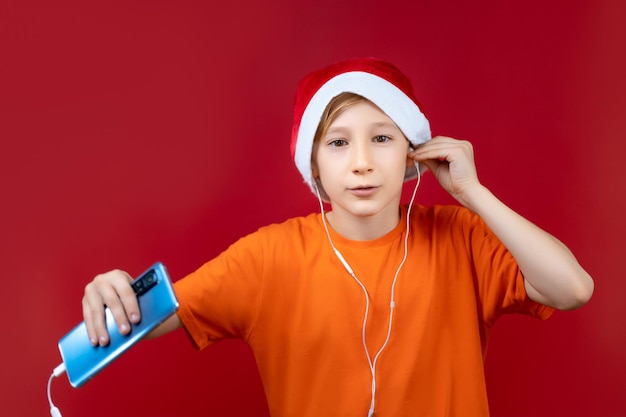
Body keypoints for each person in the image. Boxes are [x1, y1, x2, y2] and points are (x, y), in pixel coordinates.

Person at [81, 58, 594, 417]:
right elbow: (149, 318)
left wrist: (472, 192)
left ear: (412, 153)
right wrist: (114, 291)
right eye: (338, 143)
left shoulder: (461, 238)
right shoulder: (270, 257)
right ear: (314, 165)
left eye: (382, 138)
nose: (362, 162)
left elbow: (572, 288)